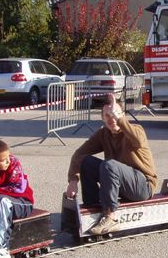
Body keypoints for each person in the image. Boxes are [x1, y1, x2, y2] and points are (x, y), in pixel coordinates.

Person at [66, 93, 157, 235]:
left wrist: (119, 118)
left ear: (122, 115)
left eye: (115, 114)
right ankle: (93, 208)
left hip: (143, 185)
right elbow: (79, 154)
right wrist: (73, 180)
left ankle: (111, 217)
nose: (111, 119)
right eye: (107, 115)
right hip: (119, 184)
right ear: (102, 118)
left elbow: (138, 141)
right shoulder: (104, 134)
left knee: (109, 165)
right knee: (87, 161)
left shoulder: (135, 130)